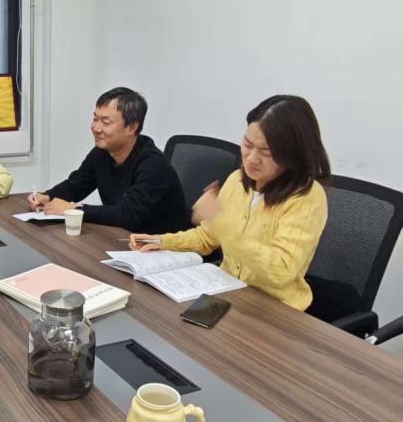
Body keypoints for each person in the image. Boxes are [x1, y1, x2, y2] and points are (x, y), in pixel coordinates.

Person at [131, 95, 330, 311]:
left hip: (274, 310)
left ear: (293, 155)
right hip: (226, 292)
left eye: (266, 152)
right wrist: (162, 242)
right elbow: (209, 236)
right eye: (247, 144)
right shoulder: (237, 180)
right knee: (158, 315)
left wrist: (220, 221)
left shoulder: (307, 197)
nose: (251, 158)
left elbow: (281, 271)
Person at [29, 87, 191, 233]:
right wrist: (48, 196)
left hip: (162, 247)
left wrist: (74, 209)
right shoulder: (102, 152)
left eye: (105, 122)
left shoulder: (153, 165)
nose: (96, 128)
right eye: (95, 119)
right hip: (123, 238)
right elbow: (78, 184)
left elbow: (129, 215)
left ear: (132, 127)